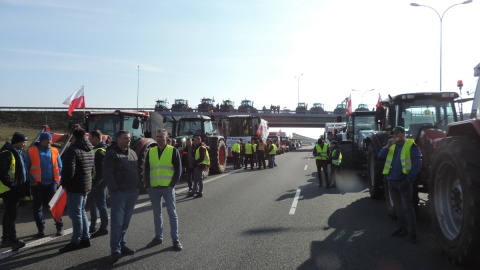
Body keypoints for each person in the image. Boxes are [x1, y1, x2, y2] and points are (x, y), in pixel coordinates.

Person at [378, 126, 422, 244]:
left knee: (408, 207)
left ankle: (413, 233)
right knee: (398, 207)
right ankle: (402, 229)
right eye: (394, 134)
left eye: (398, 133)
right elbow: (380, 156)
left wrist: (410, 178)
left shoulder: (411, 145)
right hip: (392, 181)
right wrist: (387, 146)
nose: (395, 136)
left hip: (404, 181)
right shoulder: (392, 146)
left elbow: (418, 161)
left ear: (403, 134)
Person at [103, 130, 138, 263]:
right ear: (118, 139)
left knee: (125, 222)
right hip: (119, 193)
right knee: (117, 223)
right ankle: (115, 250)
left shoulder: (133, 153)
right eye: (125, 138)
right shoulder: (111, 154)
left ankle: (122, 245)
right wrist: (114, 190)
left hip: (132, 193)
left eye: (129, 138)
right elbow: (107, 173)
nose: (128, 140)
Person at [144, 129, 183, 251]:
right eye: (157, 136)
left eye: (161, 136)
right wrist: (148, 185)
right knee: (157, 213)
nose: (159, 138)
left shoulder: (173, 151)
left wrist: (172, 184)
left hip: (167, 187)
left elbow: (178, 170)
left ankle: (175, 239)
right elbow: (146, 170)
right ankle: (158, 237)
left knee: (172, 214)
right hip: (154, 188)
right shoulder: (151, 151)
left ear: (166, 138)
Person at [59, 128, 94, 253]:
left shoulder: (72, 150)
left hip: (75, 187)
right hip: (86, 186)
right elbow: (92, 170)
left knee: (75, 214)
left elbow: (69, 171)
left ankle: (75, 241)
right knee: (82, 212)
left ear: (74, 137)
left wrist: (64, 184)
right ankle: (86, 237)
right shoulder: (90, 150)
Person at [25, 132, 64, 237]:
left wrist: (57, 180)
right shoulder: (31, 151)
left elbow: (60, 167)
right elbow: (25, 168)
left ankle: (60, 227)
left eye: (50, 139)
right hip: (37, 184)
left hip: (51, 183)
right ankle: (41, 230)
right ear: (41, 140)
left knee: (55, 206)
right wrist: (32, 181)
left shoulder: (55, 151)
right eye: (47, 139)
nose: (49, 141)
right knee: (37, 207)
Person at [0, 132, 29, 251]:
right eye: (23, 142)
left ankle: (6, 239)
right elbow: (2, 174)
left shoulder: (17, 152)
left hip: (13, 189)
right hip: (9, 190)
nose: (25, 144)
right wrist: (14, 186)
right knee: (11, 215)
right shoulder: (7, 153)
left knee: (8, 214)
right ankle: (13, 241)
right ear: (17, 141)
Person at [87, 130, 109, 238]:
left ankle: (103, 227)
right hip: (100, 181)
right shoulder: (103, 148)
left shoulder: (99, 152)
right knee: (94, 204)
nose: (89, 140)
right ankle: (93, 225)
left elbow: (100, 172)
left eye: (90, 138)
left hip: (97, 182)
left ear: (95, 138)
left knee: (100, 204)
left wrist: (94, 184)